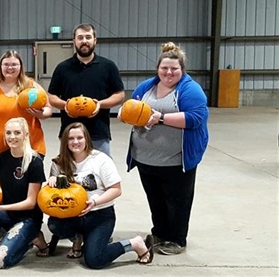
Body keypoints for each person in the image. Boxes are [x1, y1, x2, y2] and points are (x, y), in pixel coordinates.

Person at [121, 42, 209, 255]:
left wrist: (160, 118)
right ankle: (159, 233)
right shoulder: (146, 87)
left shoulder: (190, 90)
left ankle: (177, 239)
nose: (168, 73)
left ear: (182, 70)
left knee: (177, 201)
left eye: (174, 69)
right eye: (164, 68)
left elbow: (196, 118)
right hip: (145, 158)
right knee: (156, 199)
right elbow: (131, 108)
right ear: (158, 68)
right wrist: (126, 115)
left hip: (176, 160)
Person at [44, 122, 154, 269]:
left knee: (94, 260)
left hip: (99, 215)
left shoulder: (100, 160)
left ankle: (134, 243)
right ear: (65, 141)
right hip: (73, 215)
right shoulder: (59, 163)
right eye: (71, 138)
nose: (75, 142)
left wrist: (94, 202)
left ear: (86, 139)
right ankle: (77, 239)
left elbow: (116, 189)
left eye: (79, 138)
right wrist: (51, 181)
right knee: (54, 224)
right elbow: (50, 197)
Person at [0, 117, 46, 269]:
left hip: (27, 218)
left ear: (26, 135)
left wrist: (0, 208)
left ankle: (32, 237)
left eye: (17, 133)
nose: (12, 137)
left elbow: (30, 203)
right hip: (7, 214)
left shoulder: (34, 161)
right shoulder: (2, 158)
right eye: (8, 133)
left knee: (0, 260)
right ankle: (10, 234)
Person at [47, 23, 125, 157]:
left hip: (99, 133)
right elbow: (51, 96)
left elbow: (119, 95)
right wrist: (66, 105)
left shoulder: (108, 66)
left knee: (101, 175)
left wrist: (100, 104)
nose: (84, 41)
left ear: (95, 40)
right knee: (69, 173)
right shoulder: (62, 68)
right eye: (80, 37)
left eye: (88, 37)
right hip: (70, 133)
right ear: (74, 41)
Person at [0, 50, 52, 181]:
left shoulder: (31, 86)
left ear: (21, 67)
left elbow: (48, 108)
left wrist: (41, 113)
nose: (10, 68)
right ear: (0, 66)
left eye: (14, 64)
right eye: (6, 64)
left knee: (26, 188)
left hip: (29, 147)